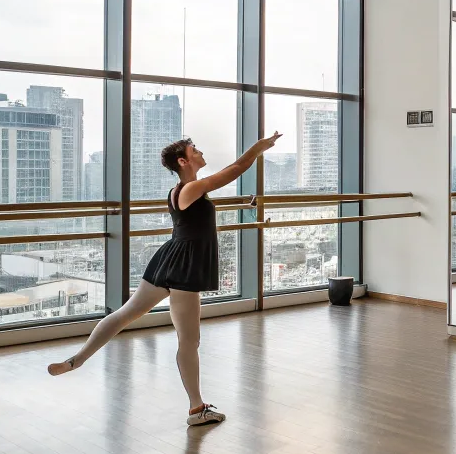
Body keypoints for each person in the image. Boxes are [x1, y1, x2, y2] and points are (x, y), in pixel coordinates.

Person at [47, 132, 282, 426]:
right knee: (189, 339)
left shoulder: (183, 190)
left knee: (125, 315)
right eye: (194, 150)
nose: (200, 152)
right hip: (184, 266)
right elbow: (233, 171)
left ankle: (76, 360)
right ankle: (197, 409)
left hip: (169, 259)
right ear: (183, 161)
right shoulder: (189, 189)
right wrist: (258, 149)